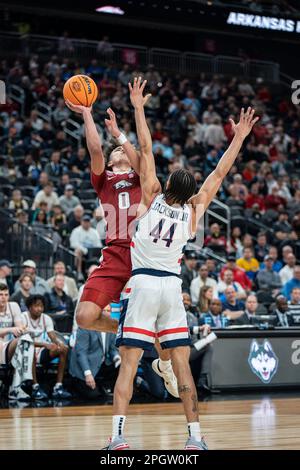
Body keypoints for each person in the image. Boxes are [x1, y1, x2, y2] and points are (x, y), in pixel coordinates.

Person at [107, 78, 258, 450]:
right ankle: (194, 439)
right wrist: (238, 138)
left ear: (166, 183)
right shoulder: (194, 212)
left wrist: (139, 107)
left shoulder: (152, 194)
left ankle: (118, 438)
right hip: (172, 288)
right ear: (189, 194)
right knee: (181, 365)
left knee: (129, 364)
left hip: (142, 284)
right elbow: (220, 173)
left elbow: (144, 144)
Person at [65, 99, 178, 395]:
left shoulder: (141, 175)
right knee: (85, 316)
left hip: (144, 253)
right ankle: (126, 329)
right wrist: (88, 114)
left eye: (120, 150)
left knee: (159, 325)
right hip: (115, 253)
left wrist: (119, 135)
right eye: (116, 151)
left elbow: (142, 155)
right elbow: (94, 150)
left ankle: (166, 366)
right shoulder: (104, 180)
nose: (118, 152)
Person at [22, 295, 71, 399]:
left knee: (64, 349)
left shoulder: (46, 318)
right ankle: (35, 387)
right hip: (24, 350)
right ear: (30, 307)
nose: (40, 308)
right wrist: (46, 344)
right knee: (31, 351)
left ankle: (58, 387)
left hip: (41, 350)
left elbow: (52, 336)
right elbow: (24, 341)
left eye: (41, 306)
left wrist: (59, 343)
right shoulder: (23, 317)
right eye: (36, 306)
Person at [69, 304, 121, 399]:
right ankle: (77, 385)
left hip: (100, 363)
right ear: (98, 313)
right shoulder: (86, 327)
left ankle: (103, 386)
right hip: (84, 368)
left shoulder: (111, 326)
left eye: (109, 311)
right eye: (104, 311)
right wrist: (88, 374)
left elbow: (112, 349)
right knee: (93, 395)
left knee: (123, 365)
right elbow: (81, 353)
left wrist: (117, 358)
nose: (107, 313)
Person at [0, 284, 31, 401]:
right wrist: (10, 329)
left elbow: (19, 327)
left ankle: (16, 386)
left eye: (6, 294)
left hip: (8, 345)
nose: (3, 297)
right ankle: (15, 386)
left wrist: (22, 329)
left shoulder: (13, 306)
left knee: (25, 340)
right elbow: (11, 330)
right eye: (0, 295)